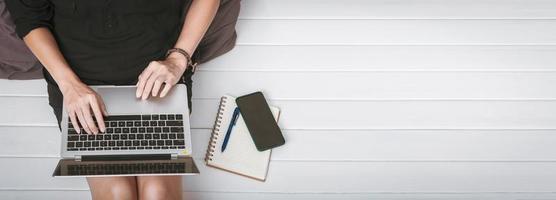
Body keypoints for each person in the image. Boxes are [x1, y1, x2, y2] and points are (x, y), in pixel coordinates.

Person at [6, 0, 219, 199]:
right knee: (118, 193)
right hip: (80, 84)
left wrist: (178, 58)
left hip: (157, 72)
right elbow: (30, 19)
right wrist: (69, 85)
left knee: (158, 192)